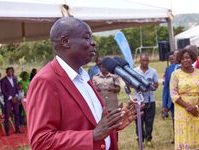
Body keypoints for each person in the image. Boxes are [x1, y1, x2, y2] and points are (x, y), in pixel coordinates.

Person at [26, 17, 137, 150]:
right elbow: (41, 142)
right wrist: (92, 136)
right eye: (87, 38)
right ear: (65, 41)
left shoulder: (84, 77)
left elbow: (92, 125)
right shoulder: (46, 81)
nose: (93, 43)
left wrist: (113, 125)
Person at [170, 48, 199, 150]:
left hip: (198, 110)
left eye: (188, 58)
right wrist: (189, 107)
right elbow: (173, 94)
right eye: (183, 58)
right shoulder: (175, 74)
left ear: (192, 59)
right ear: (179, 60)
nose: (186, 60)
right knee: (184, 135)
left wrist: (195, 106)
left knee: (197, 134)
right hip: (182, 111)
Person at [134, 54, 159, 146]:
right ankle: (140, 139)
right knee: (138, 121)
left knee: (149, 121)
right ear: (140, 61)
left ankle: (149, 138)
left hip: (150, 100)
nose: (145, 62)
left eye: (147, 61)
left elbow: (156, 84)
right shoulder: (134, 71)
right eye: (143, 61)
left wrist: (151, 85)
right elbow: (130, 84)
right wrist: (139, 86)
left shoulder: (153, 71)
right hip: (138, 100)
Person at [162, 49, 179, 144]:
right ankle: (177, 137)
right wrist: (164, 104)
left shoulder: (190, 68)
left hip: (188, 102)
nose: (175, 57)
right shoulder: (169, 69)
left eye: (178, 55)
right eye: (174, 56)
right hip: (173, 102)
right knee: (175, 121)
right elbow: (166, 88)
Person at [1, 67, 21, 136]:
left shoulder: (14, 79)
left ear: (13, 72)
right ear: (6, 72)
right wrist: (10, 97)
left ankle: (17, 129)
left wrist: (15, 96)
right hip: (8, 100)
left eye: (11, 71)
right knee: (7, 115)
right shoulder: (3, 80)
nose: (10, 73)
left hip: (15, 99)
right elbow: (3, 91)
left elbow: (16, 89)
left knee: (17, 114)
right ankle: (7, 131)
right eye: (8, 72)